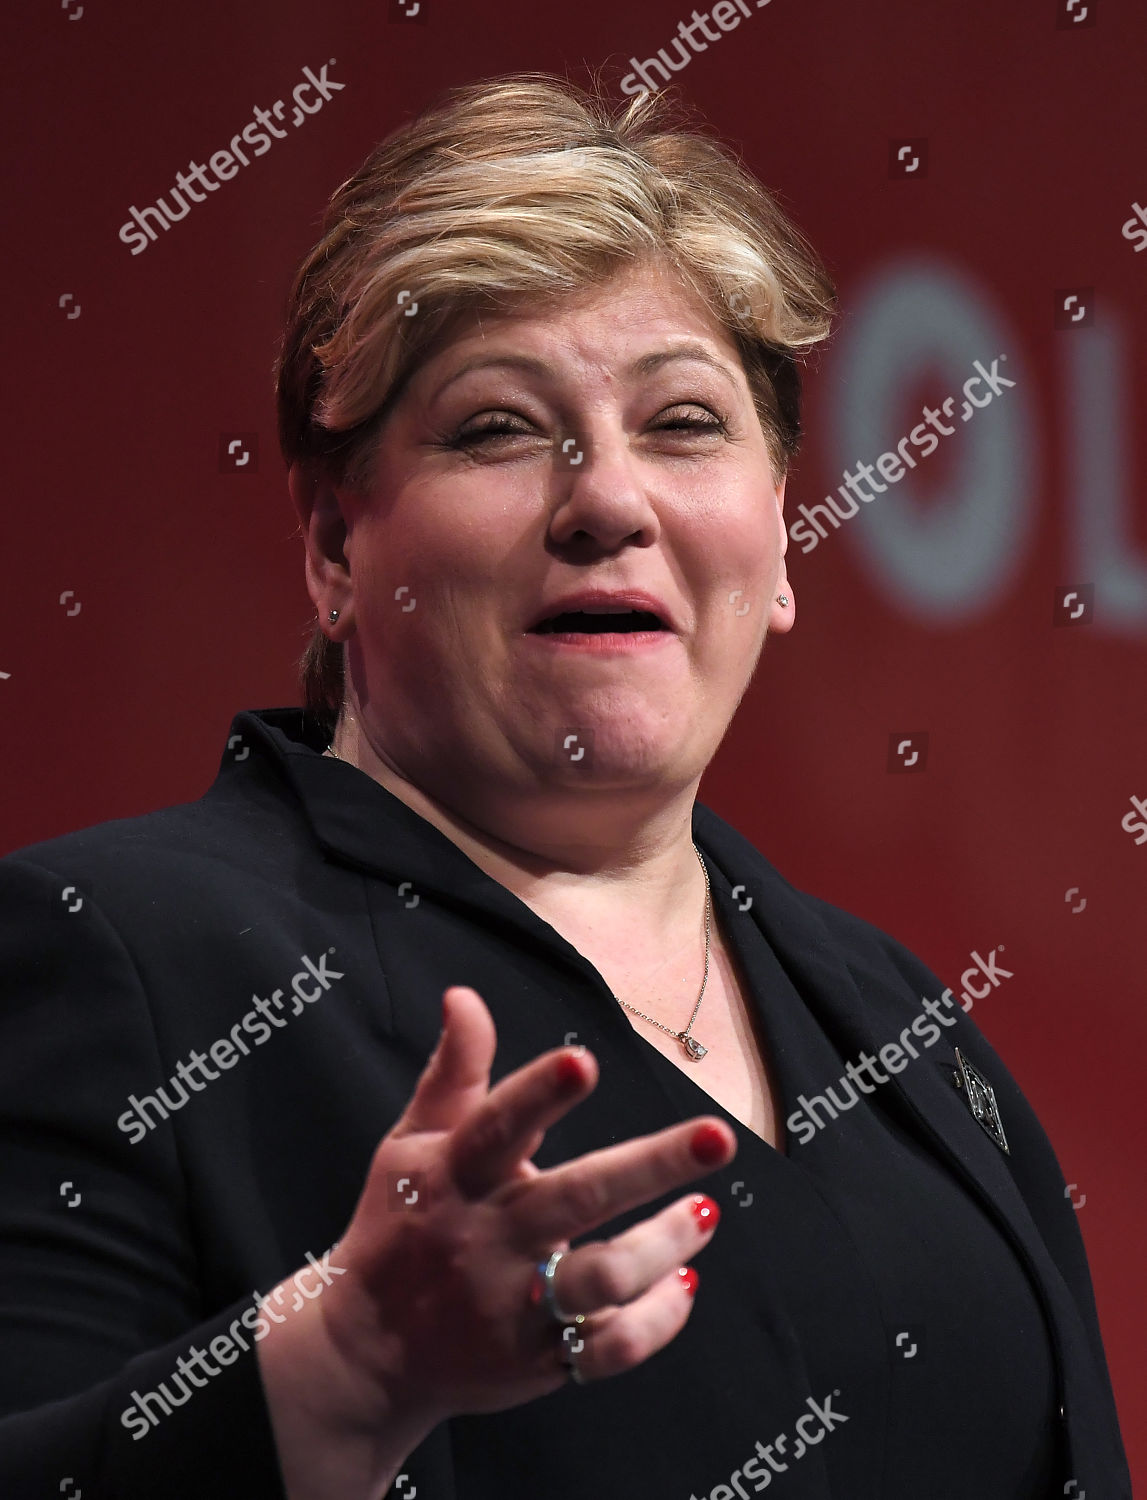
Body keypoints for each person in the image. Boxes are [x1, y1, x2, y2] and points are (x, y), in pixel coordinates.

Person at [0, 71, 1132, 1500]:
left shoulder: (909, 1026)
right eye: (497, 428)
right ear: (336, 548)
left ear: (780, 546)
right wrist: (338, 1375)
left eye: (684, 423)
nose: (608, 500)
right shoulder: (115, 955)